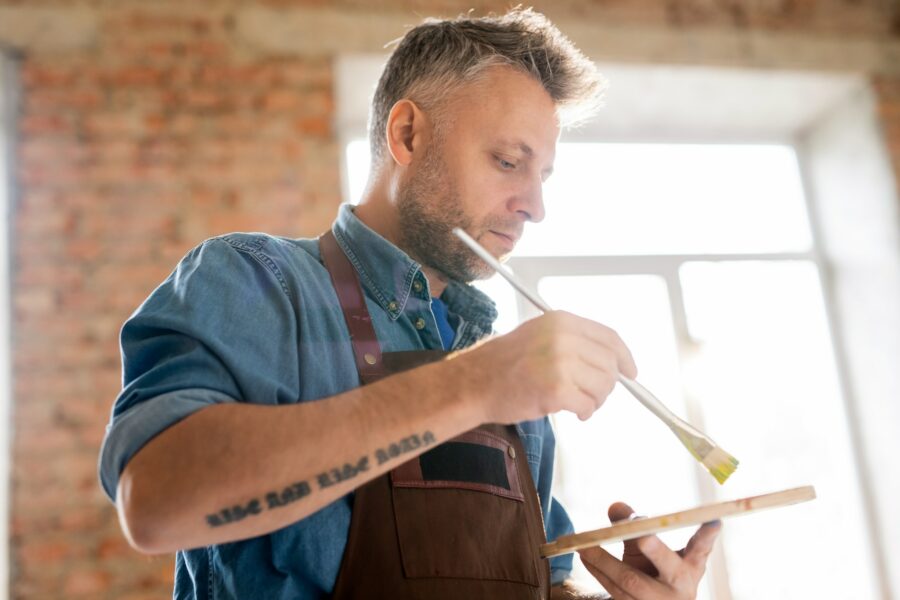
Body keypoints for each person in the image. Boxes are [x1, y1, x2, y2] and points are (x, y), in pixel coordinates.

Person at [98, 8, 720, 599]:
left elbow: (540, 582)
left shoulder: (504, 367)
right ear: (407, 134)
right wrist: (472, 386)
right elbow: (154, 502)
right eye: (508, 162)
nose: (535, 205)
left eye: (542, 177)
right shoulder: (257, 281)